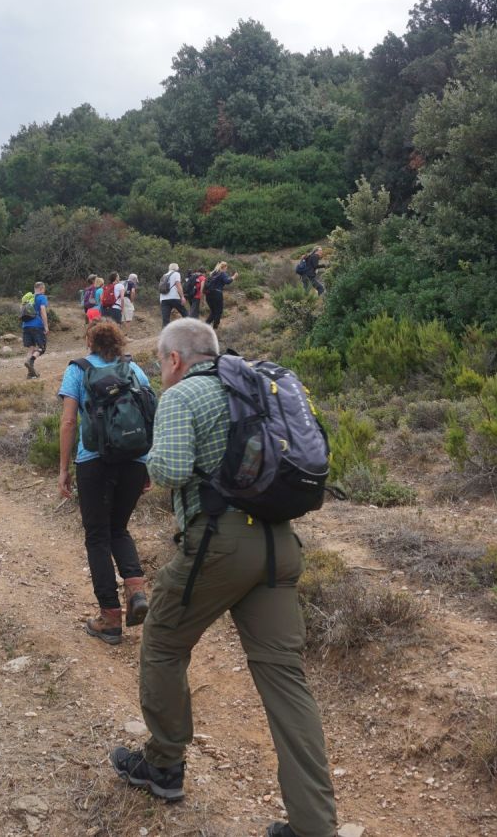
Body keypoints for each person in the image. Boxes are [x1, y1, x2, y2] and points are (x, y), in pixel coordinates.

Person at [110, 319, 338, 837]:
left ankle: (163, 765)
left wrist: (152, 454)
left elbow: (169, 471)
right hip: (279, 544)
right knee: (285, 679)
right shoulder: (255, 386)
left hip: (221, 541)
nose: (161, 371)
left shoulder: (183, 395)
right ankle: (314, 826)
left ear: (174, 359)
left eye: (160, 362)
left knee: (163, 642)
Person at [58, 320, 154, 645]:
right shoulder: (134, 369)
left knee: (98, 536)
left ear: (89, 342)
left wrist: (63, 469)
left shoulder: (78, 370)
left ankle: (110, 618)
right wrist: (146, 465)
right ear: (119, 341)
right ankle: (136, 591)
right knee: (119, 529)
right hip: (135, 460)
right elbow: (149, 415)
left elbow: (68, 422)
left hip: (94, 462)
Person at [23, 280, 49, 379]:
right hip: (37, 326)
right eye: (44, 289)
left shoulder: (28, 298)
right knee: (42, 348)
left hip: (26, 325)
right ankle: (31, 361)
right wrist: (46, 326)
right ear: (41, 288)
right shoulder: (42, 297)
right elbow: (43, 311)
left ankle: (30, 373)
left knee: (31, 348)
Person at [204, 262, 234, 329]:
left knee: (213, 312)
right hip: (217, 294)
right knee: (219, 311)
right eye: (226, 267)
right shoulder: (222, 273)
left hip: (208, 295)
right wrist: (234, 277)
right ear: (224, 267)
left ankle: (205, 326)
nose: (226, 269)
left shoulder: (212, 274)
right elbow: (227, 281)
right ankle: (215, 327)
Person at [158, 263, 188, 328]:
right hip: (174, 297)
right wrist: (182, 297)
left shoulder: (164, 275)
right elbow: (178, 285)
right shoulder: (176, 274)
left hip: (163, 299)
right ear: (176, 268)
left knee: (165, 319)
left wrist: (161, 299)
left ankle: (165, 333)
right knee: (185, 313)